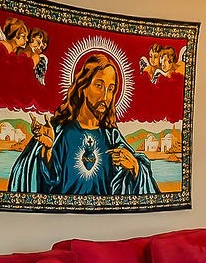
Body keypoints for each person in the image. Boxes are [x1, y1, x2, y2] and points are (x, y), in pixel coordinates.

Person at [8, 49, 158, 196]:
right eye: (99, 85)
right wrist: (47, 150)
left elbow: (137, 183)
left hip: (105, 220)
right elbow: (44, 182)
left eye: (111, 89)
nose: (106, 96)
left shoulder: (111, 137)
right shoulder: (59, 132)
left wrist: (135, 167)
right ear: (83, 87)